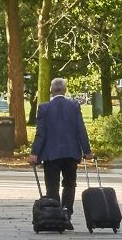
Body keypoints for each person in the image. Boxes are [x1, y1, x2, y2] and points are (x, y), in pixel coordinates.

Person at [28, 78, 91, 225]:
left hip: (51, 154)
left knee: (52, 186)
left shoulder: (44, 108)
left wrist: (34, 153)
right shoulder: (74, 106)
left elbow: (41, 133)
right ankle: (67, 213)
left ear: (51, 90)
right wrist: (87, 151)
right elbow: (81, 129)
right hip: (71, 153)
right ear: (65, 90)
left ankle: (54, 216)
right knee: (69, 184)